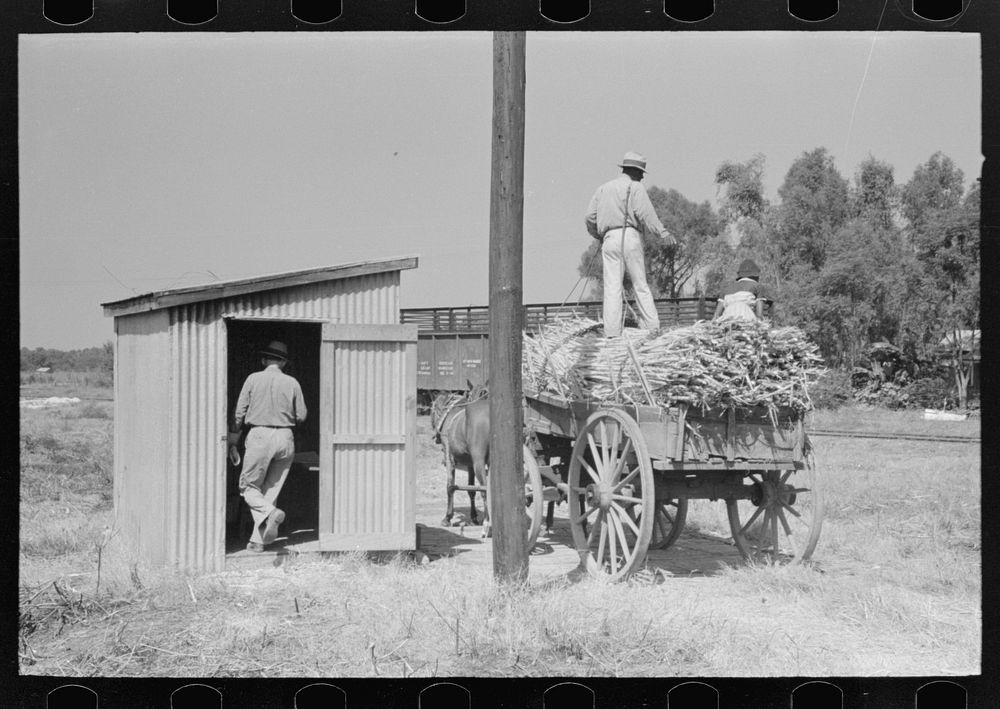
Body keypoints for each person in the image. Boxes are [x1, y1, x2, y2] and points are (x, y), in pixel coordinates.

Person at [585, 151, 677, 337]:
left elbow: (589, 217)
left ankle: (611, 332)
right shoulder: (635, 187)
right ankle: (652, 327)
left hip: (609, 238)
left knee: (612, 287)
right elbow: (646, 213)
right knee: (640, 283)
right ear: (635, 171)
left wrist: (598, 235)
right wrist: (662, 232)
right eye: (641, 172)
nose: (643, 176)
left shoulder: (603, 188)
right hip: (630, 236)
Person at [229, 340, 307, 552]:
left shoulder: (253, 379)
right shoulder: (292, 382)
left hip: (260, 435)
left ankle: (270, 514)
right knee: (270, 490)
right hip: (285, 436)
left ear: (264, 359)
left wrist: (233, 439)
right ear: (283, 363)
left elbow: (239, 413)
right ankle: (258, 541)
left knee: (248, 487)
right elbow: (302, 415)